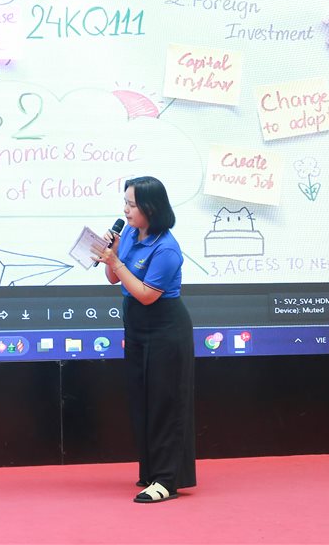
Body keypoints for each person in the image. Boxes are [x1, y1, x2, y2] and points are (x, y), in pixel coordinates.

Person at [93, 176, 196, 503]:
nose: (126, 210)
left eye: (132, 205)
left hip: (166, 329)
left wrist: (117, 262)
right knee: (143, 401)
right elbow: (113, 279)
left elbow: (146, 294)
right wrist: (111, 255)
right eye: (125, 203)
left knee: (166, 403)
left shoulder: (167, 248)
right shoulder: (129, 234)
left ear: (151, 208)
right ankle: (152, 471)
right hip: (136, 328)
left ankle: (167, 480)